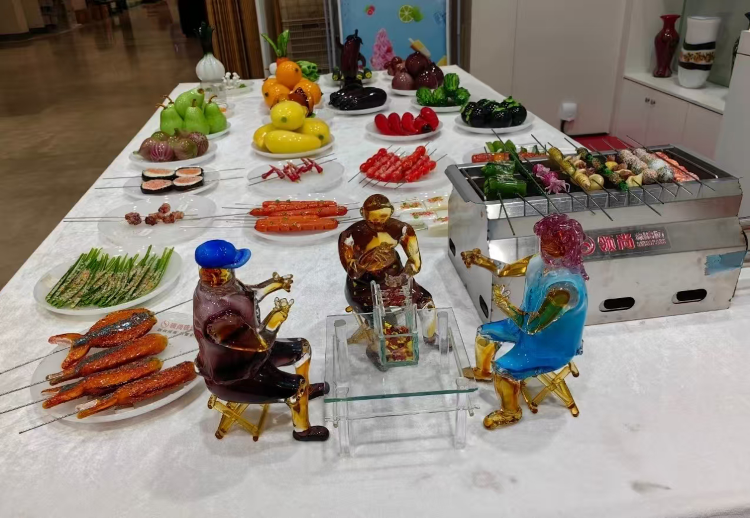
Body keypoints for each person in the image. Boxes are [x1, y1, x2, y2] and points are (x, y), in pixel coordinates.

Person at [193, 240, 328, 442]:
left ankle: (307, 391)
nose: (233, 272)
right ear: (217, 274)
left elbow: (248, 295)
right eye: (230, 268)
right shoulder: (219, 319)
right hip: (236, 376)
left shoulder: (221, 288)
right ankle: (302, 430)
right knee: (296, 387)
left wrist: (274, 284)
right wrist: (275, 320)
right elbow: (261, 344)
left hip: (250, 357)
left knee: (303, 348)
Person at [462, 214, 588, 429]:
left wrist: (504, 304)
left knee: (503, 369)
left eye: (552, 242)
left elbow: (531, 326)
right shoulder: (538, 261)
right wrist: (480, 259)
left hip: (551, 346)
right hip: (524, 326)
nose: (545, 246)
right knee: (484, 333)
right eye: (544, 239)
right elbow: (506, 270)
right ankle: (483, 372)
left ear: (568, 246)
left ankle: (511, 412)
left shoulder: (564, 288)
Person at [338, 194, 434, 314]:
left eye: (383, 218)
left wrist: (402, 277)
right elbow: (353, 272)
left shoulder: (402, 229)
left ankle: (427, 327)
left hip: (395, 275)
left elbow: (415, 263)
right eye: (372, 220)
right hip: (363, 285)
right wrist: (367, 259)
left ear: (391, 211)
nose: (378, 224)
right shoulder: (349, 235)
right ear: (363, 213)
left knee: (426, 304)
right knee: (378, 318)